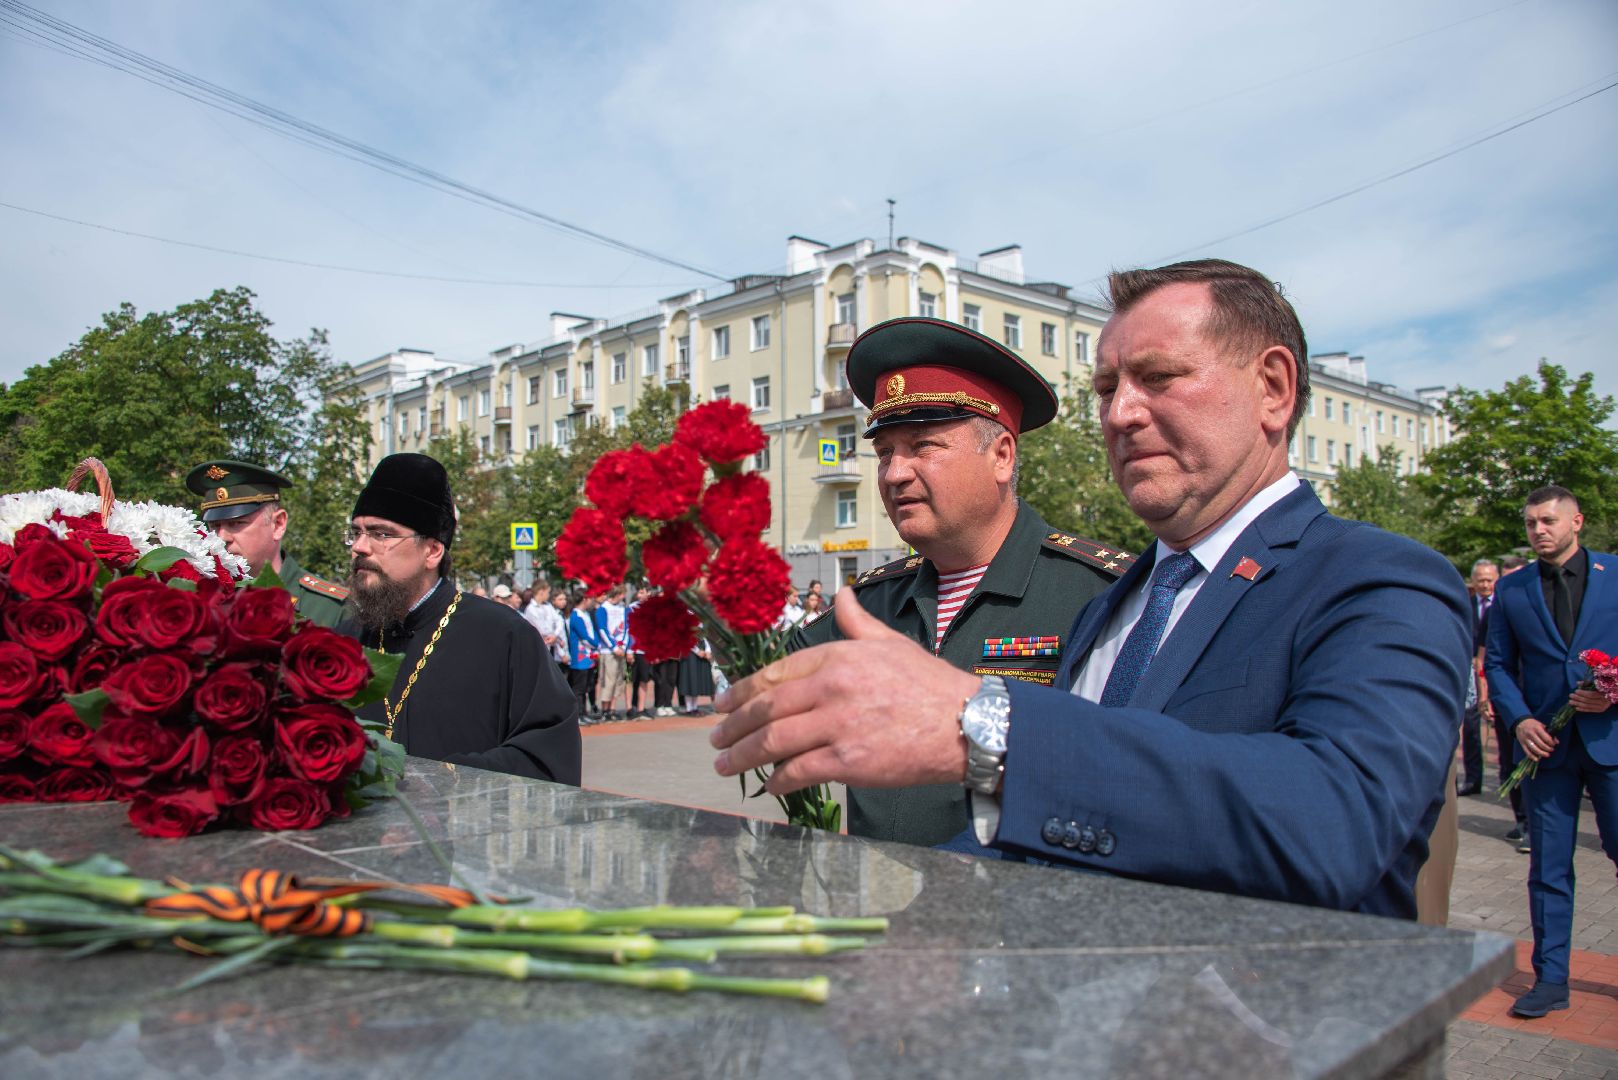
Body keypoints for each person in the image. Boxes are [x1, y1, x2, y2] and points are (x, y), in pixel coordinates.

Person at [714, 258, 1469, 920]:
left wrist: (986, 727)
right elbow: (1075, 828)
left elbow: (1339, 824)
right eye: (1107, 387)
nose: (1119, 412)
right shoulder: (1123, 604)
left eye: (1159, 378)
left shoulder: (1379, 578)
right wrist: (907, 917)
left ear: (1272, 388)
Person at [791, 315, 1130, 846]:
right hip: (879, 914)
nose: (895, 473)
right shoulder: (869, 604)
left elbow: (1132, 774)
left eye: (923, 446)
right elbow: (766, 687)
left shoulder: (1099, 594)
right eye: (884, 453)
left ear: (1001, 456)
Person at [337, 453, 580, 784]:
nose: (360, 547)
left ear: (433, 551)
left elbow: (548, 755)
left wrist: (445, 778)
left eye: (381, 534)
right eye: (356, 532)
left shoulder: (503, 635)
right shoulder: (346, 638)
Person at [1485, 485, 1618, 1018]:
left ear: (1576, 522)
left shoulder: (1614, 574)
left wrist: (1612, 691)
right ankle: (1551, 979)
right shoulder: (1513, 590)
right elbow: (1497, 663)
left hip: (1611, 744)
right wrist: (1520, 721)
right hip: (1546, 749)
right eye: (1531, 523)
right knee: (1548, 867)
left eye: (1547, 521)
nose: (1538, 530)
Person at [185, 460, 348, 627]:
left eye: (237, 523)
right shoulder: (198, 599)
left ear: (278, 524)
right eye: (214, 526)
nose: (222, 537)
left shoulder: (330, 609)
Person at [1457, 559, 1499, 796]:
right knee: (1471, 728)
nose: (1484, 584)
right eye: (1480, 580)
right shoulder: (1465, 605)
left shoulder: (1504, 605)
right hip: (1471, 672)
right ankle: (1473, 780)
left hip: (1497, 671)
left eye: (1489, 580)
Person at [595, 585, 630, 719]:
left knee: (618, 680)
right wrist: (614, 647)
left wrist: (624, 645)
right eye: (622, 594)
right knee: (608, 680)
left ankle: (613, 709)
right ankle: (605, 709)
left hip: (620, 648)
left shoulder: (623, 609)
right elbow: (603, 629)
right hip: (608, 650)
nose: (623, 597)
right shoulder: (603, 608)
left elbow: (627, 627)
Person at [566, 589, 600, 721]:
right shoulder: (576, 616)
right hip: (580, 657)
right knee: (579, 687)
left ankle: (584, 713)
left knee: (587, 685)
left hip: (589, 656)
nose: (591, 601)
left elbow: (592, 632)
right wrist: (595, 644)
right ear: (584, 599)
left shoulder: (585, 614)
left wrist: (595, 645)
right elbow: (584, 637)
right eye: (590, 598)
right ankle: (578, 714)